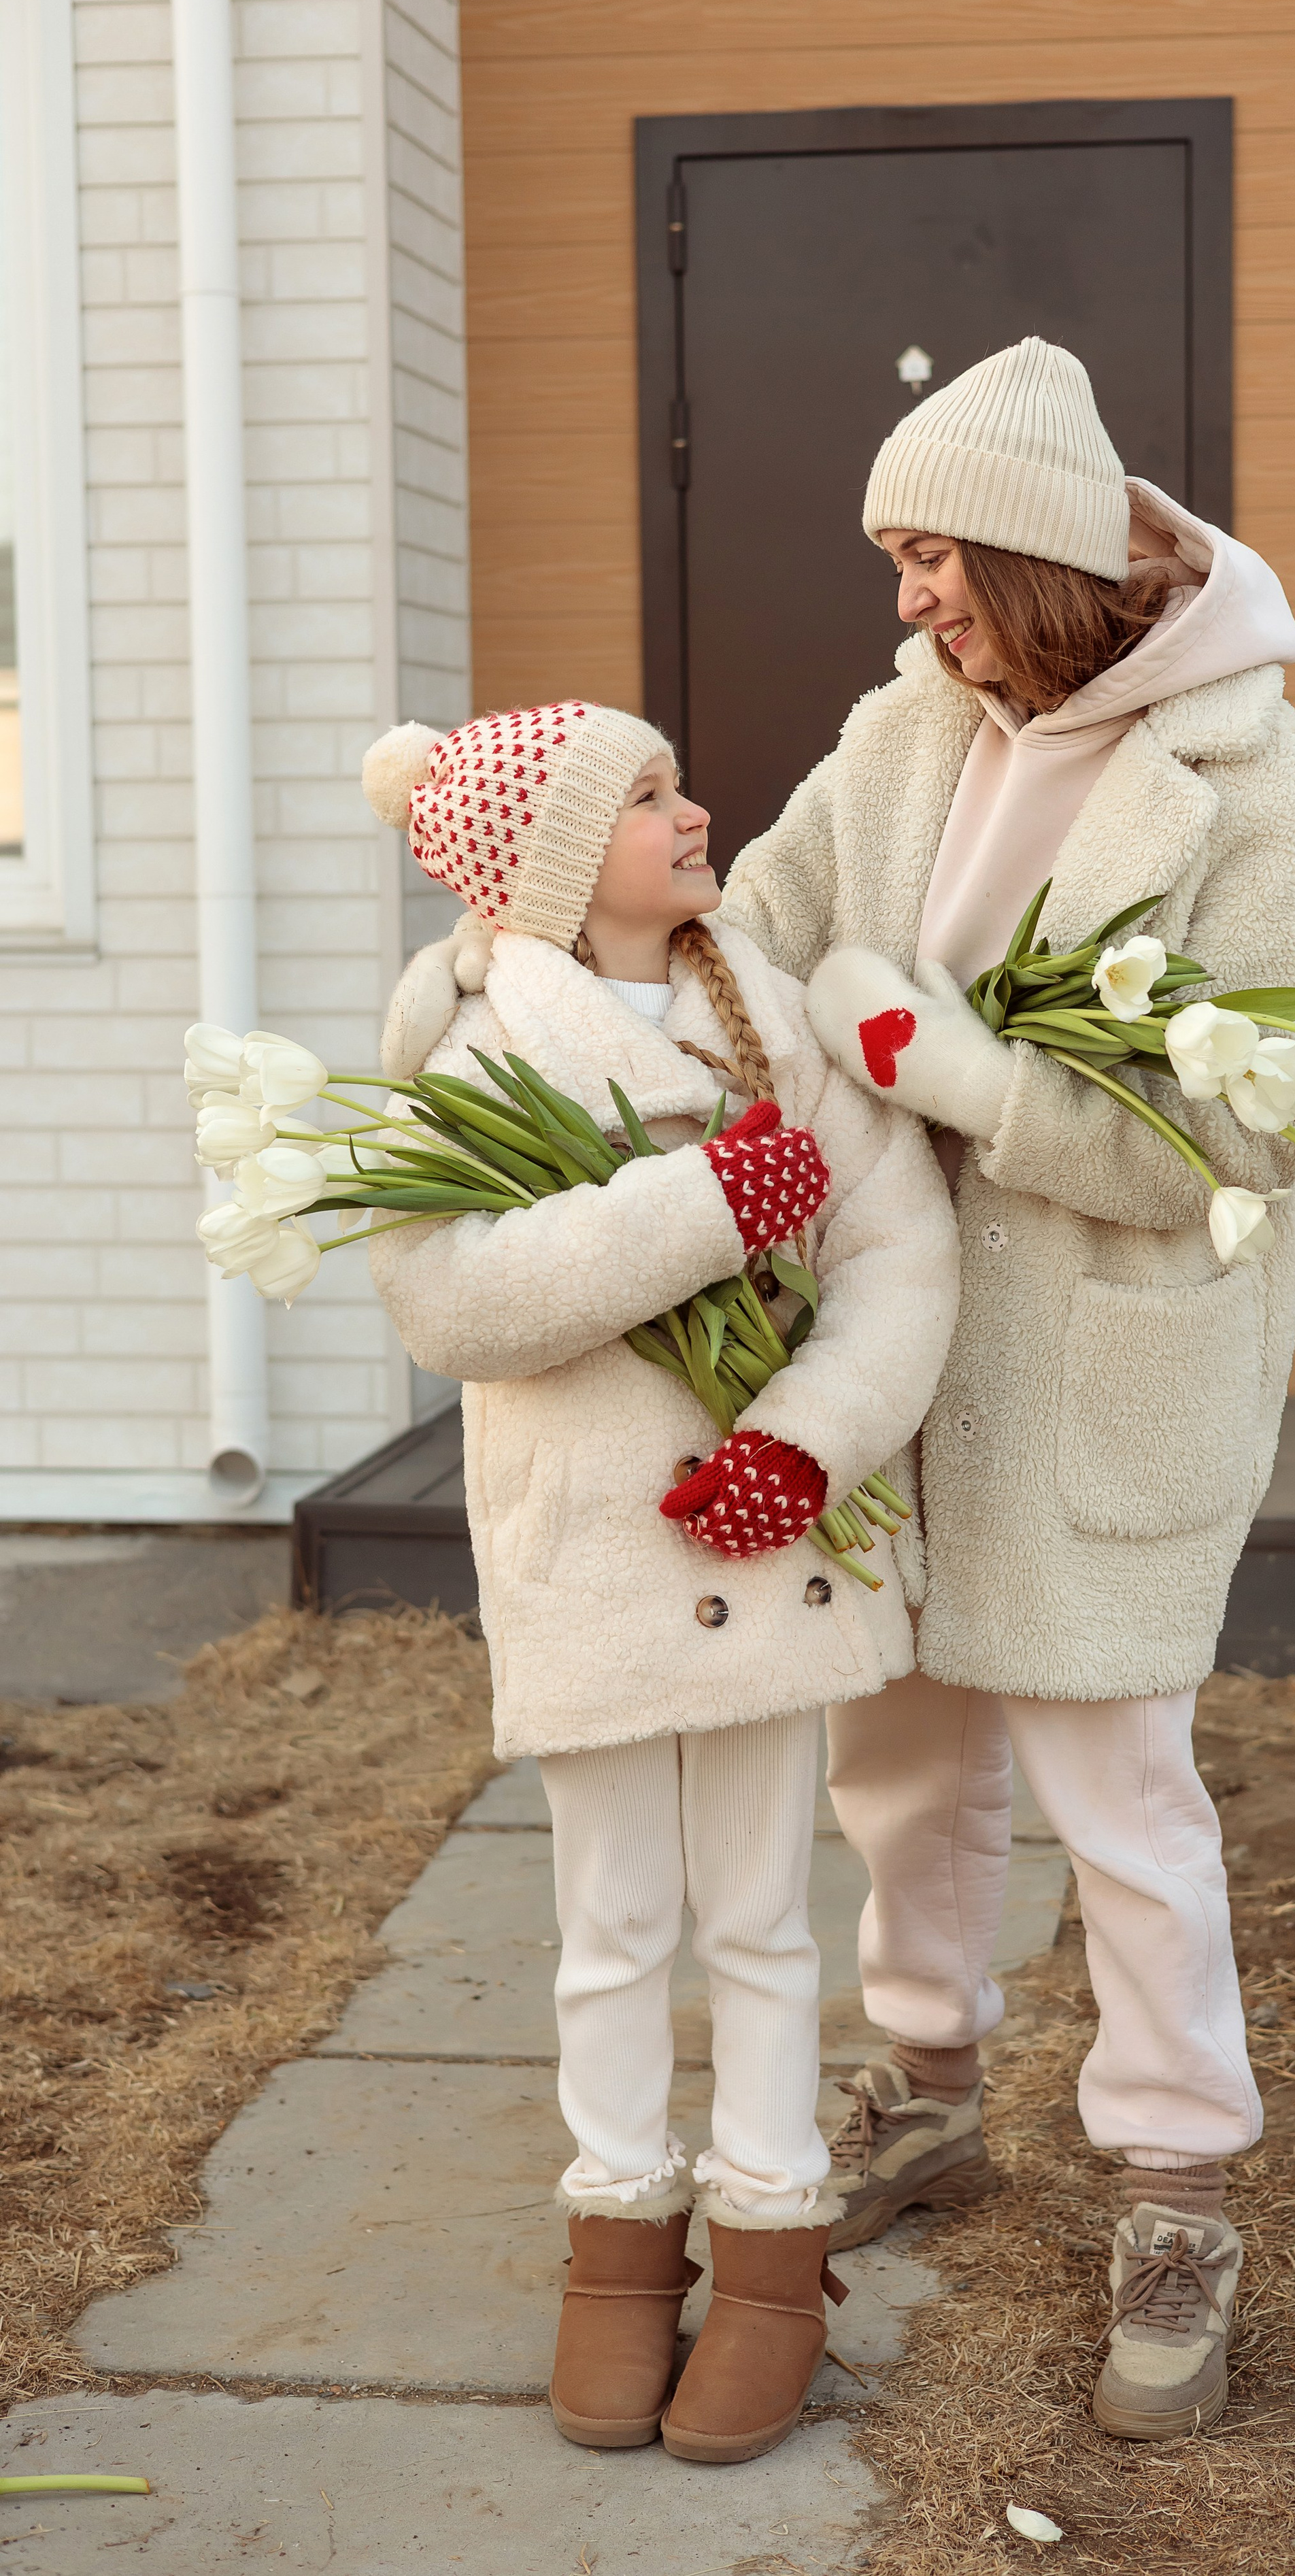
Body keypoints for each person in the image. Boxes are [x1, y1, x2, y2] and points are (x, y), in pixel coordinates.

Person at [720, 339, 1295, 2443]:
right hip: (897, 1353)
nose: (908, 598)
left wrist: (945, 1069)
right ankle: (925, 2086)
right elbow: (761, 931)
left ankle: (1180, 2194)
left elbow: (1246, 1138)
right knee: (897, 1766)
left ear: (1038, 556)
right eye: (898, 559)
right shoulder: (906, 732)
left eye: (933, 555)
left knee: (1124, 1810)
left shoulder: (1261, 796)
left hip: (1102, 1374)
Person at [358, 701, 959, 2464]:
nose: (698, 814)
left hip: (763, 1544)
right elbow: (455, 1294)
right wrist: (703, 1206)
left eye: (677, 785)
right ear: (555, 860)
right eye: (647, 798)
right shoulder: (479, 1048)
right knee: (616, 1923)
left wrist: (809, 1442)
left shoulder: (770, 1014)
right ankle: (618, 2247)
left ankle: (773, 2252)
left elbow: (898, 1252)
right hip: (602, 1562)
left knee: (765, 1915)